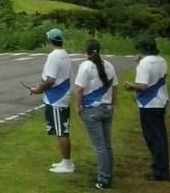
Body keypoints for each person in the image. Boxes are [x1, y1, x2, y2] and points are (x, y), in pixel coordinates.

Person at [125, 35, 170, 182]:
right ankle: (161, 169)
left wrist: (132, 87)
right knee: (160, 136)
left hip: (149, 103)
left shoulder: (144, 64)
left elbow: (143, 86)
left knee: (153, 138)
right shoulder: (162, 60)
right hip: (161, 100)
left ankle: (160, 172)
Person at [75, 39, 118, 190]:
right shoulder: (109, 65)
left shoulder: (85, 66)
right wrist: (113, 104)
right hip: (106, 107)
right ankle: (108, 174)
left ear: (85, 51)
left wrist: (78, 106)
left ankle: (104, 178)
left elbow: (80, 89)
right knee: (107, 144)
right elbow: (115, 87)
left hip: (91, 109)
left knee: (99, 146)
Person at [31, 28, 74, 174]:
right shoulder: (64, 54)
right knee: (62, 130)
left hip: (56, 97)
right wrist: (40, 86)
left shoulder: (54, 56)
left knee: (62, 131)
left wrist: (39, 88)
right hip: (61, 95)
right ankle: (65, 161)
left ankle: (67, 164)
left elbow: (51, 80)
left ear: (49, 41)